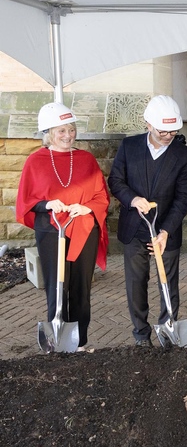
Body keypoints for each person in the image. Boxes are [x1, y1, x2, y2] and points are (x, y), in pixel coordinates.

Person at [16, 102, 110, 350]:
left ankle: (79, 343)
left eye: (71, 129)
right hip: (51, 231)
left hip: (83, 230)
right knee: (57, 287)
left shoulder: (86, 159)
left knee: (80, 288)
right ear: (48, 133)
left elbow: (101, 196)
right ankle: (58, 340)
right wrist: (47, 204)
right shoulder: (35, 161)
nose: (68, 135)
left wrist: (86, 207)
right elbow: (26, 201)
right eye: (61, 131)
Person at [108, 95, 187, 347]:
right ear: (148, 124)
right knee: (136, 283)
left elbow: (182, 198)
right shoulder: (129, 147)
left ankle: (169, 330)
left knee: (168, 282)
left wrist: (166, 231)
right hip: (134, 228)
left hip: (166, 228)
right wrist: (133, 199)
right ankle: (141, 335)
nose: (168, 135)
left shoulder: (185, 156)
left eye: (173, 131)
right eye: (163, 130)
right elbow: (116, 181)